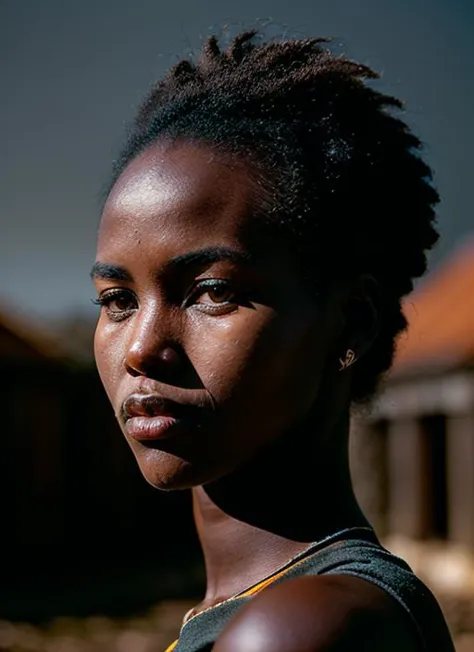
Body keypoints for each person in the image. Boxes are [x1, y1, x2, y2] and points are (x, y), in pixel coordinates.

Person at [91, 30, 455, 652]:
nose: (140, 349)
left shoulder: (300, 631)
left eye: (211, 292)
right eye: (117, 301)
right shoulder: (268, 610)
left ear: (350, 324)